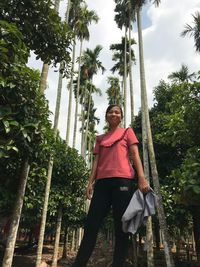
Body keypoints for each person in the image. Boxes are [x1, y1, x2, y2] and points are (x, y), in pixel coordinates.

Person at [72, 104, 150, 267]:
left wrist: (141, 178)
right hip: (102, 184)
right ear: (106, 115)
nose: (114, 114)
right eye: (111, 112)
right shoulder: (100, 138)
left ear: (121, 116)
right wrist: (90, 182)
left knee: (121, 228)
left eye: (117, 112)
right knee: (91, 226)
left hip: (123, 182)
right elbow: (96, 162)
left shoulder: (127, 132)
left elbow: (135, 154)